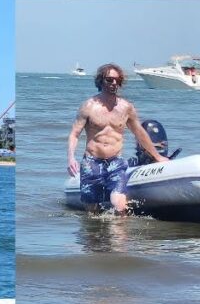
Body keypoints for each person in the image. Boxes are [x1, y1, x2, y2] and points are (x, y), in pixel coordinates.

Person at [67, 63, 168, 214]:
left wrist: (157, 156)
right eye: (109, 79)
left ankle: (120, 236)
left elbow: (139, 133)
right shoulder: (88, 106)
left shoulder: (126, 107)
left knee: (118, 203)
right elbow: (74, 134)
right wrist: (71, 158)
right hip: (91, 163)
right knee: (92, 212)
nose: (114, 83)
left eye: (117, 80)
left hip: (116, 162)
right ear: (101, 81)